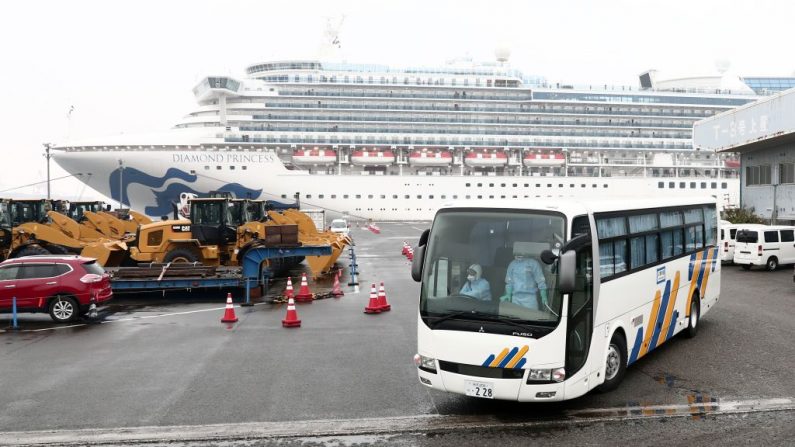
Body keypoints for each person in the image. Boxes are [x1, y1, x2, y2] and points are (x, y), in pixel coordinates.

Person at [501, 242, 548, 310]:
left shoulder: (533, 264)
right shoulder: (512, 264)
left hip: (530, 299)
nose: (518, 254)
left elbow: (541, 281)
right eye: (516, 252)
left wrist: (544, 296)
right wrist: (508, 294)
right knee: (516, 319)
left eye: (520, 251)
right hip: (515, 299)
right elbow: (509, 282)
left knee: (531, 318)